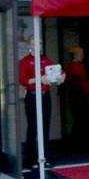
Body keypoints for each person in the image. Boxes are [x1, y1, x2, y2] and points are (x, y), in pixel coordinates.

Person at [18, 42, 62, 170]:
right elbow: (23, 80)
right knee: (33, 127)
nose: (39, 46)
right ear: (30, 46)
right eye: (36, 44)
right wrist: (39, 79)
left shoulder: (46, 61)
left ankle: (44, 157)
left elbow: (57, 73)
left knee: (45, 126)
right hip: (32, 96)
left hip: (45, 95)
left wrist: (60, 77)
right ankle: (31, 159)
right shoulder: (24, 61)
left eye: (41, 44)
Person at [63, 46, 89, 148]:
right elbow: (80, 82)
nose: (83, 56)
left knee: (81, 119)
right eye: (81, 54)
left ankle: (78, 143)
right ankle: (79, 143)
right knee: (82, 118)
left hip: (78, 95)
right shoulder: (74, 67)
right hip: (79, 95)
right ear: (76, 55)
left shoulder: (74, 66)